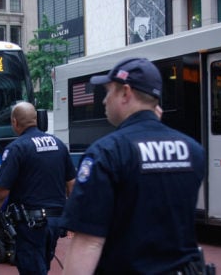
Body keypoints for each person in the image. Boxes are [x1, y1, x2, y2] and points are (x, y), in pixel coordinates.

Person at [60, 58, 206, 274]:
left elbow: (89, 242)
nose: (104, 101)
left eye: (108, 92)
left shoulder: (106, 152)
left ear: (126, 93)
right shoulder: (193, 150)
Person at [0, 101, 76, 274]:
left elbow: (0, 194)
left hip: (31, 225)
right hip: (55, 223)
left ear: (14, 122)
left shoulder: (16, 149)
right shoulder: (58, 144)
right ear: (36, 119)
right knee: (42, 267)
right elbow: (72, 185)